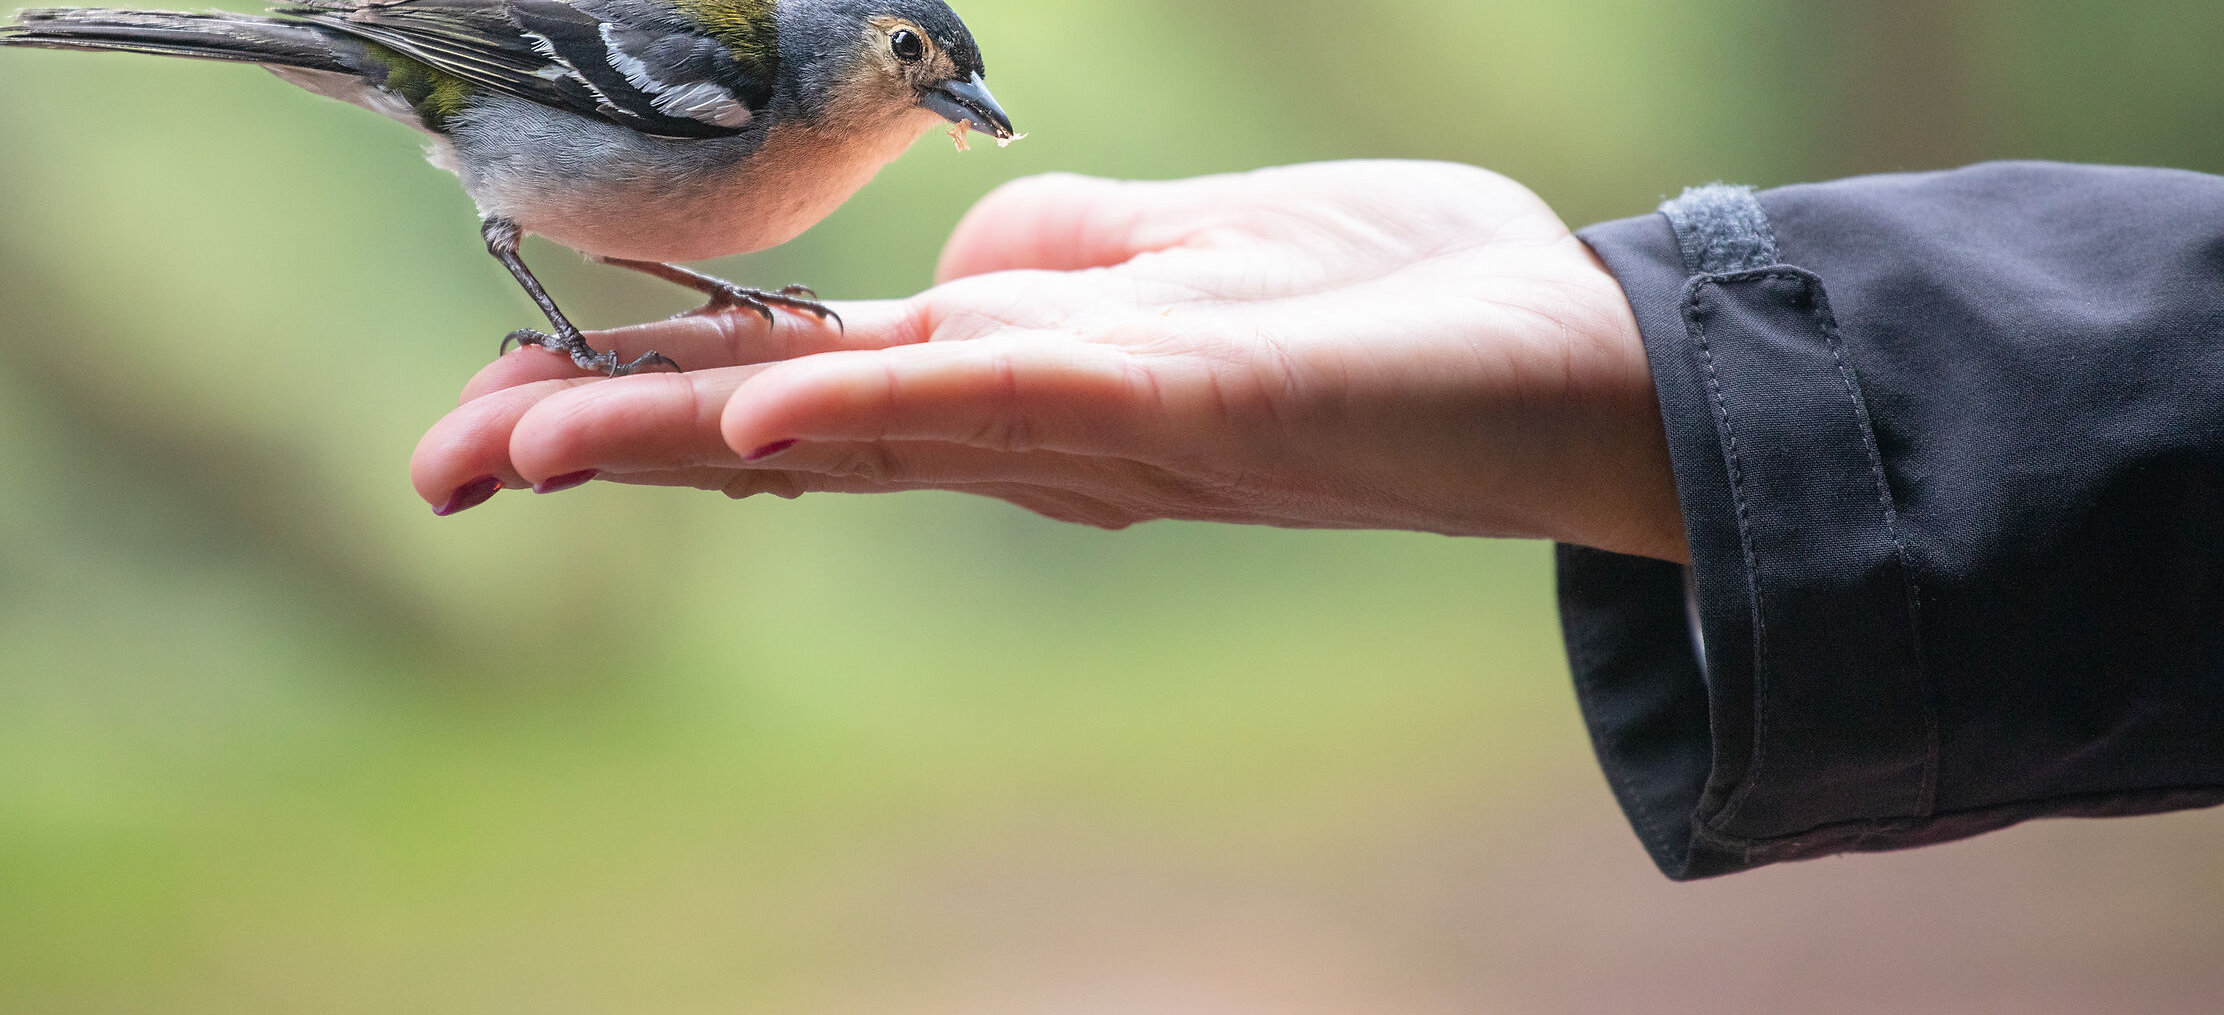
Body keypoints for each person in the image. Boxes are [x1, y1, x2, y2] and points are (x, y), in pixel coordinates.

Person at [412, 159, 2224, 879]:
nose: (955, 113)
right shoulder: (724, 89)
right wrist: (1679, 347)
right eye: (914, 59)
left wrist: (1682, 361)